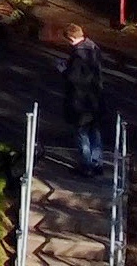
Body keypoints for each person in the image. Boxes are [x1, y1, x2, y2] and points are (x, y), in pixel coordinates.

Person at [58, 23, 108, 174]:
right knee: (95, 131)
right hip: (96, 99)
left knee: (82, 133)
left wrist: (63, 69)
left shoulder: (78, 55)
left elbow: (74, 78)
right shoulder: (93, 48)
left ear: (71, 38)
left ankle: (86, 166)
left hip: (81, 102)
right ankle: (97, 163)